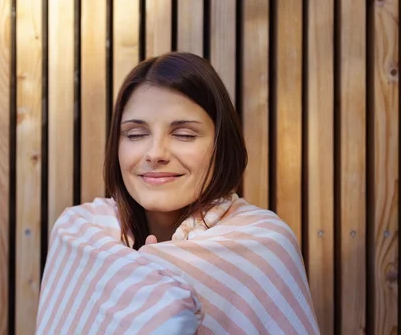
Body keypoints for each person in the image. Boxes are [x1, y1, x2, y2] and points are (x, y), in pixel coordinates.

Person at [36, 52, 319, 334]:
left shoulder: (263, 245)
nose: (156, 153)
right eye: (135, 134)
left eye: (184, 135)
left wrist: (151, 274)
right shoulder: (79, 233)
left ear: (221, 144)